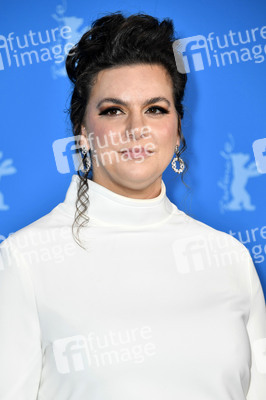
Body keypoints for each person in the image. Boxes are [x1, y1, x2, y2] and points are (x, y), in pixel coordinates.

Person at [0, 11, 265, 400]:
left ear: (177, 130)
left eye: (156, 109)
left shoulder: (229, 258)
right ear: (83, 133)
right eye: (113, 110)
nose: (136, 128)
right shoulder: (24, 259)